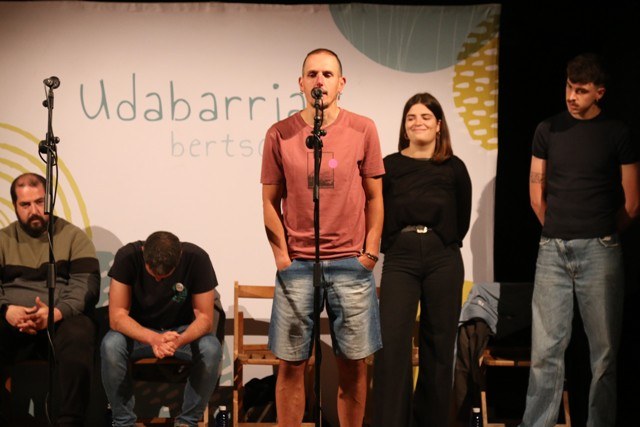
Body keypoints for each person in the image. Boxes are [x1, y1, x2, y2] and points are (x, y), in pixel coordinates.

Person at [261, 48, 384, 427]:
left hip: (351, 264)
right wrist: (282, 257)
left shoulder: (363, 129)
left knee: (354, 364)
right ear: (301, 83)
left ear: (341, 83)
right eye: (312, 74)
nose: (320, 80)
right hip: (298, 265)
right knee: (291, 364)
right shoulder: (280, 133)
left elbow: (376, 197)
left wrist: (371, 252)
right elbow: (269, 200)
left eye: (328, 74)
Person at [520, 53, 640, 427]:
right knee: (545, 350)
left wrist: (600, 233)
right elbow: (536, 191)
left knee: (603, 353)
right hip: (553, 250)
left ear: (599, 93)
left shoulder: (616, 132)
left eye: (581, 90)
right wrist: (557, 228)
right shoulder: (548, 129)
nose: (572, 96)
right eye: (569, 87)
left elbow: (632, 202)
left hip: (600, 250)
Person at [372, 93, 472, 427]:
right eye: (411, 117)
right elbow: (377, 213)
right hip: (400, 259)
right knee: (391, 345)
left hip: (443, 257)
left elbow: (461, 219)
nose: (418, 123)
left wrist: (437, 241)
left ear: (439, 124)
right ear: (404, 126)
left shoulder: (454, 167)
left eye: (426, 117)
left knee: (439, 346)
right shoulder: (389, 166)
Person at [0, 172, 100, 427]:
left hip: (58, 321)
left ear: (49, 200)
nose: (34, 211)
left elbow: (86, 287)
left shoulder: (73, 236)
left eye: (39, 202)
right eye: (25, 204)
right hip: (11, 322)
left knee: (81, 331)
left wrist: (55, 313)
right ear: (15, 206)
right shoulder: (2, 239)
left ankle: (70, 421)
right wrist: (6, 310)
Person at [101, 231, 223, 427]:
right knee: (111, 345)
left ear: (179, 256)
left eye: (165, 275)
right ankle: (123, 422)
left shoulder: (197, 258)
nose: (158, 279)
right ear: (144, 253)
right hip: (139, 332)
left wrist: (179, 340)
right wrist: (153, 338)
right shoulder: (127, 257)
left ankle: (187, 422)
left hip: (180, 333)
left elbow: (205, 318)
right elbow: (117, 317)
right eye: (153, 273)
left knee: (211, 348)